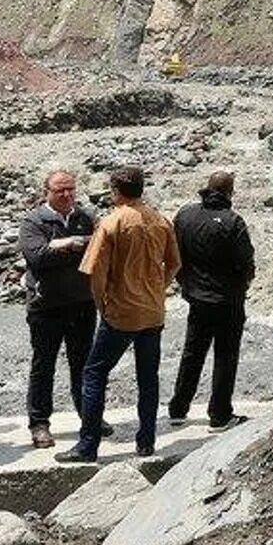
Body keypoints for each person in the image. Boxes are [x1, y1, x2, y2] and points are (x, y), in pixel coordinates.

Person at [58, 165, 180, 463]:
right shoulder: (160, 219)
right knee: (148, 377)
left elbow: (95, 271)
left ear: (115, 192)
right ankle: (146, 441)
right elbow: (175, 264)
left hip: (122, 312)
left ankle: (88, 445)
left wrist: (103, 305)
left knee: (93, 374)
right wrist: (157, 289)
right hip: (153, 312)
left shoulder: (112, 222)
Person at [18, 169, 101, 449]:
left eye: (70, 190)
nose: (66, 195)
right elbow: (37, 257)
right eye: (60, 191)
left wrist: (66, 244)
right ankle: (39, 423)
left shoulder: (85, 217)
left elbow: (100, 250)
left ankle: (90, 418)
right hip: (46, 306)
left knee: (84, 364)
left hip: (82, 303)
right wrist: (74, 247)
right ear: (47, 193)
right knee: (44, 365)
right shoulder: (34, 221)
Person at [169, 171, 257, 430]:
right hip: (227, 300)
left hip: (196, 297)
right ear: (230, 192)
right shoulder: (233, 222)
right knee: (225, 356)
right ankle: (219, 414)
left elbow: (175, 254)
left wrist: (185, 283)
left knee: (192, 352)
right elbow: (245, 262)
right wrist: (244, 284)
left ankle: (178, 408)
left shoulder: (185, 215)